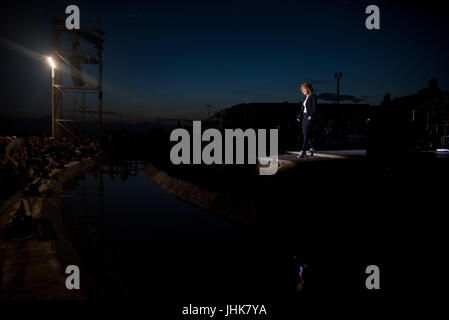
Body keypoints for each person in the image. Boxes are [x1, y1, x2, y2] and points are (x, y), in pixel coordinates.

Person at [296, 82, 317, 158]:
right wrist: (299, 115)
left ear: (307, 89)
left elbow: (315, 107)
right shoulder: (305, 97)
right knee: (306, 134)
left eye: (304, 90)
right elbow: (302, 108)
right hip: (304, 117)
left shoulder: (313, 96)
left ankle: (303, 151)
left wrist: (311, 115)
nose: (303, 91)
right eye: (302, 90)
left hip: (309, 117)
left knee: (306, 133)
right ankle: (312, 148)